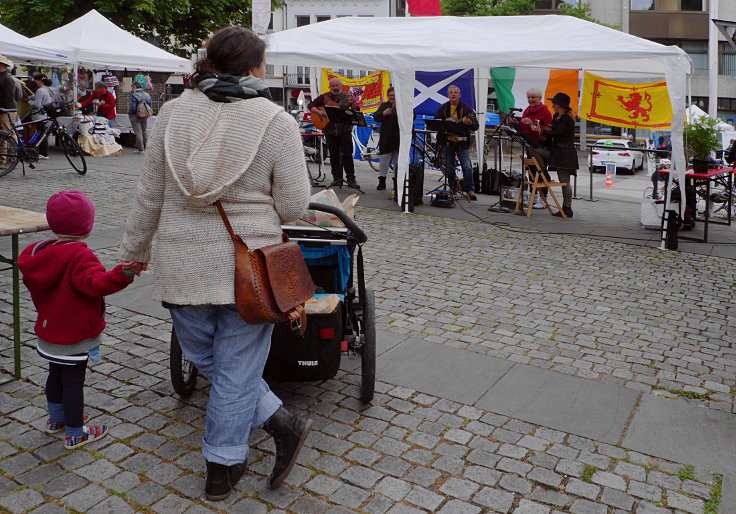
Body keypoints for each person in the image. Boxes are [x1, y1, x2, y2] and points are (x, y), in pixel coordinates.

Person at [120, 26, 313, 501]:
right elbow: (292, 207)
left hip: (182, 259)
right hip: (250, 263)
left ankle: (232, 458)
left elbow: (150, 194)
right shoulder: (275, 121)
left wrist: (133, 251)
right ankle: (252, 442)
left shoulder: (170, 115)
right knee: (234, 368)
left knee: (211, 360)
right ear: (252, 67)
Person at [17, 190, 141, 449]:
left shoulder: (39, 255)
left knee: (54, 375)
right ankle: (75, 431)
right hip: (74, 334)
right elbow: (98, 284)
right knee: (73, 382)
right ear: (87, 225)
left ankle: (56, 418)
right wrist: (125, 272)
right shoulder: (79, 255)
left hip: (49, 331)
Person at [308, 77, 360, 189]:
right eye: (333, 86)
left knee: (347, 155)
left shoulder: (348, 97)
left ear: (341, 86)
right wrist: (319, 112)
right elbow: (310, 105)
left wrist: (353, 104)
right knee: (334, 156)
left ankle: (351, 179)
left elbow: (357, 110)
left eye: (337, 85)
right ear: (329, 87)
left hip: (345, 130)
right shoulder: (324, 97)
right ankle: (337, 178)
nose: (335, 88)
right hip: (330, 130)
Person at [532, 92, 578, 218]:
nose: (553, 106)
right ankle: (543, 174)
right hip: (557, 151)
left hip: (565, 153)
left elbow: (558, 133)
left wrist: (541, 130)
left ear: (561, 105)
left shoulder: (567, 118)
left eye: (555, 104)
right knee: (533, 149)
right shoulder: (557, 116)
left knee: (564, 181)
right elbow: (554, 133)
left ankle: (567, 207)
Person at [508, 87, 553, 209]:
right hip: (529, 146)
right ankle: (536, 198)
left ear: (539, 98)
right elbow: (523, 129)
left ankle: (544, 199)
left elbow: (548, 129)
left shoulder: (545, 112)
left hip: (540, 147)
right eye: (529, 97)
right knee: (532, 173)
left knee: (540, 172)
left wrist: (532, 123)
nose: (530, 99)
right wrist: (516, 125)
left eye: (533, 97)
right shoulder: (527, 111)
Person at [434, 85, 479, 202]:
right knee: (449, 168)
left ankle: (470, 190)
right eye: (451, 93)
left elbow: (476, 126)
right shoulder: (443, 108)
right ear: (448, 95)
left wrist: (469, 123)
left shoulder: (467, 109)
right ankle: (453, 189)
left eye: (455, 93)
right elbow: (435, 123)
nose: (453, 95)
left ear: (459, 95)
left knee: (467, 167)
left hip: (462, 142)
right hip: (447, 141)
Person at [372, 87, 399, 191]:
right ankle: (382, 181)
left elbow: (413, 115)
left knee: (397, 162)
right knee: (384, 160)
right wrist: (384, 113)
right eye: (390, 95)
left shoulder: (402, 105)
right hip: (386, 138)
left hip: (398, 138)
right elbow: (376, 116)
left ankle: (397, 182)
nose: (392, 97)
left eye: (394, 95)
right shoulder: (384, 105)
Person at [29, 73, 54, 160]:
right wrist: (31, 97)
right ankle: (41, 151)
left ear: (40, 81)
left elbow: (37, 104)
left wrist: (28, 101)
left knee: (41, 134)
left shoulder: (40, 91)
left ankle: (43, 153)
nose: (35, 83)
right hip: (44, 115)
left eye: (36, 81)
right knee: (42, 133)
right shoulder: (47, 89)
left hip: (39, 115)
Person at [128, 80, 152, 154]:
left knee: (138, 132)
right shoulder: (147, 95)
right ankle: (146, 148)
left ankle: (141, 149)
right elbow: (150, 105)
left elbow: (133, 107)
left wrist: (130, 113)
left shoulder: (134, 95)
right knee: (144, 131)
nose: (132, 89)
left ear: (134, 87)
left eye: (132, 87)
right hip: (145, 115)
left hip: (135, 115)